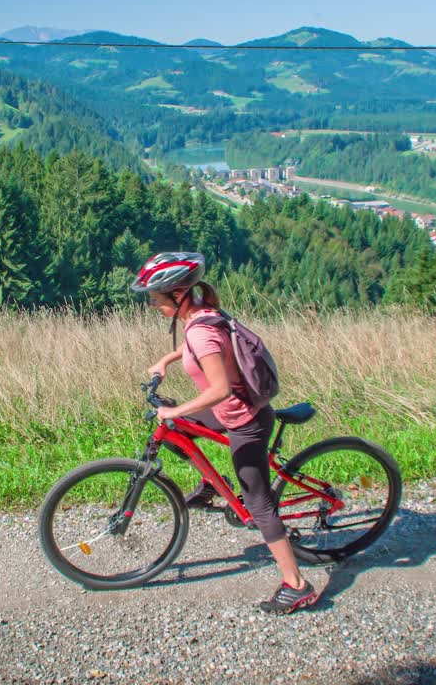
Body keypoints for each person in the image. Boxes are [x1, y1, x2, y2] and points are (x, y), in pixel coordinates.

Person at [131, 251, 318, 614]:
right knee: (179, 433)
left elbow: (219, 390)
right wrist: (166, 361)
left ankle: (297, 585)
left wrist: (174, 409)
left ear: (178, 293)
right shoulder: (200, 315)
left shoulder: (200, 329)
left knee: (259, 507)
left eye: (156, 298)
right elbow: (199, 347)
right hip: (227, 411)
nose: (153, 305)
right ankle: (209, 488)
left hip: (244, 420)